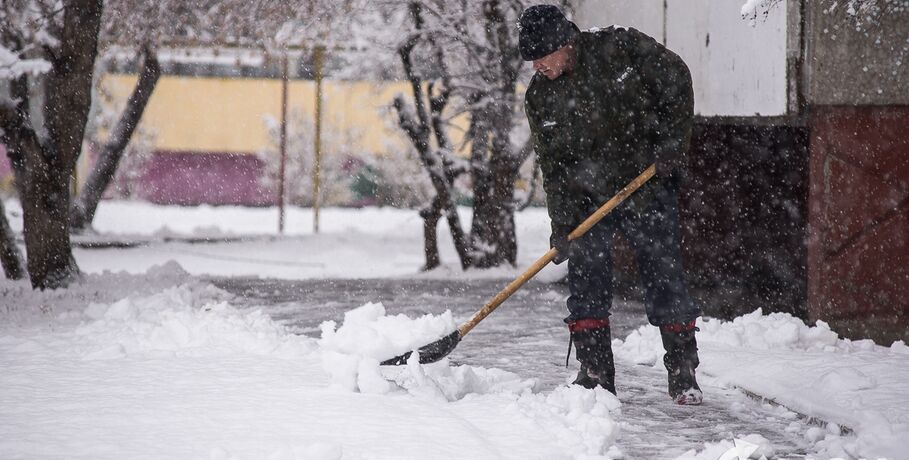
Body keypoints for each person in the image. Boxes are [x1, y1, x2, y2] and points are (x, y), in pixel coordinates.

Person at [519, 4, 703, 405]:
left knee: (664, 275)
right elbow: (555, 168)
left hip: (645, 184)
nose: (537, 66)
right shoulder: (540, 98)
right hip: (588, 200)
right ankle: (596, 373)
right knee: (586, 281)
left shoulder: (620, 49)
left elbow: (676, 78)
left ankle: (683, 369)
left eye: (542, 56)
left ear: (564, 43)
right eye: (531, 59)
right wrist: (562, 225)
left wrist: (673, 144)